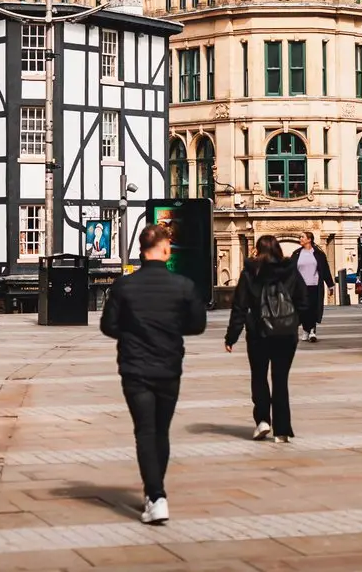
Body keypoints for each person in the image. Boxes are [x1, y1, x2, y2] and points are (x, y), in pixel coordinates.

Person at [100, 222, 208, 525]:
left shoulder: (124, 286)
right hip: (169, 366)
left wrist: (132, 332)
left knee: (144, 431)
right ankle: (156, 493)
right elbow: (197, 325)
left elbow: (108, 326)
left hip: (135, 368)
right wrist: (172, 329)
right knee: (161, 431)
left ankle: (156, 496)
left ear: (141, 250)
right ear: (164, 249)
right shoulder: (183, 285)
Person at [224, 235, 304, 442]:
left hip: (259, 333)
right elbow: (304, 300)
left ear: (257, 250)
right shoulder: (290, 270)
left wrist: (231, 336)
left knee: (259, 377)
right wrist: (296, 322)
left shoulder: (250, 272)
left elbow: (239, 307)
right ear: (278, 250)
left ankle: (263, 421)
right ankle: (282, 430)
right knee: (280, 380)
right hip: (286, 334)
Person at [291, 231, 333, 342]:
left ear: (309, 239)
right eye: (300, 237)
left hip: (314, 286)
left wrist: (330, 285)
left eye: (302, 237)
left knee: (313, 309)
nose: (300, 239)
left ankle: (312, 331)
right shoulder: (296, 254)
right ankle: (306, 329)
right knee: (303, 310)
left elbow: (325, 270)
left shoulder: (318, 254)